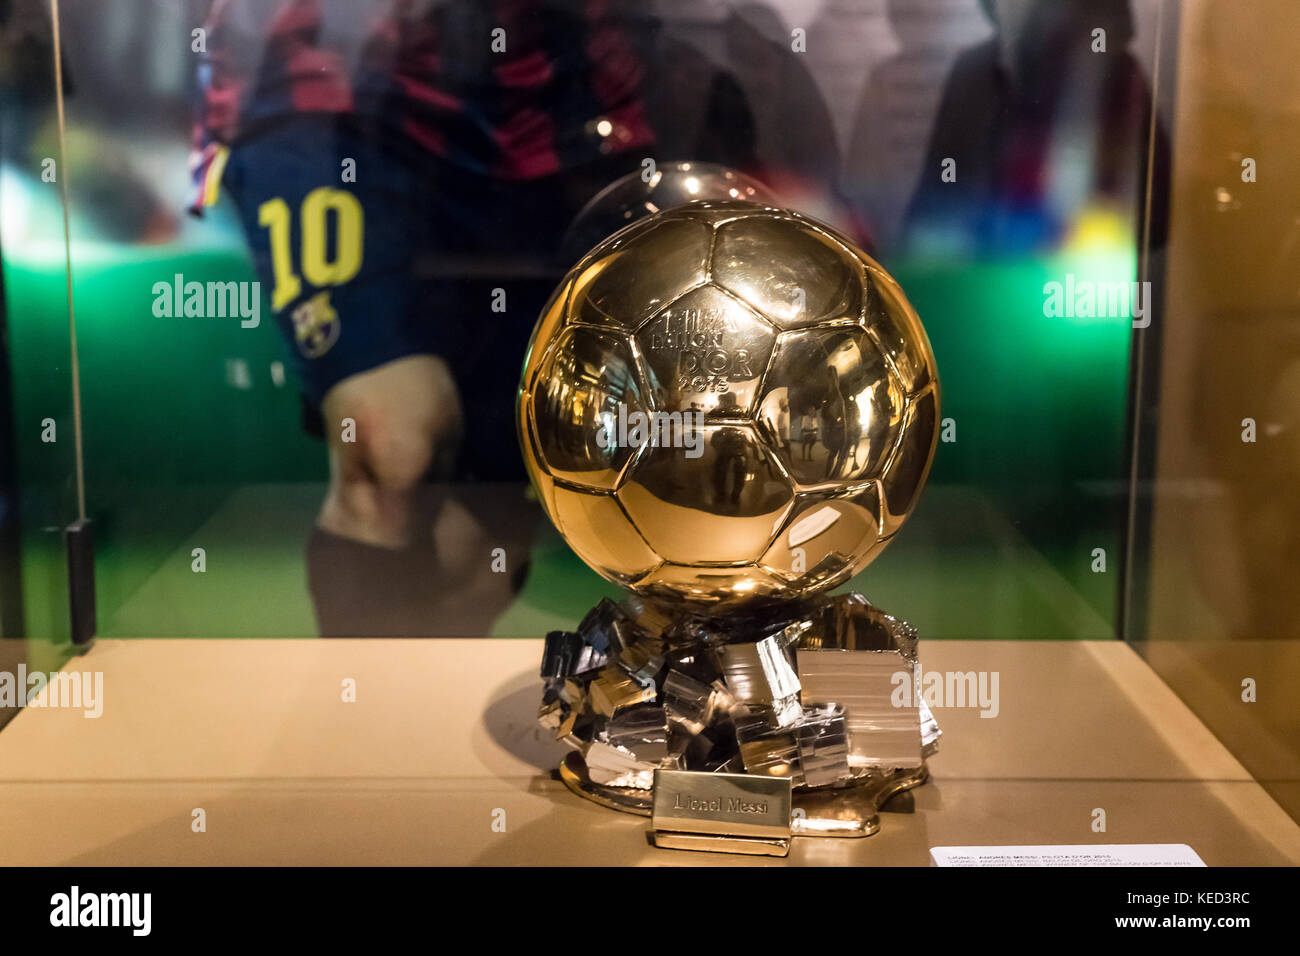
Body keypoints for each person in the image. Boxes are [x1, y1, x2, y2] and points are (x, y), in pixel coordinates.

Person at [188, 0, 764, 636]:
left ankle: (404, 692)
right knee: (389, 443)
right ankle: (353, 696)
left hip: (562, 112)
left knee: (479, 536)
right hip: (335, 85)